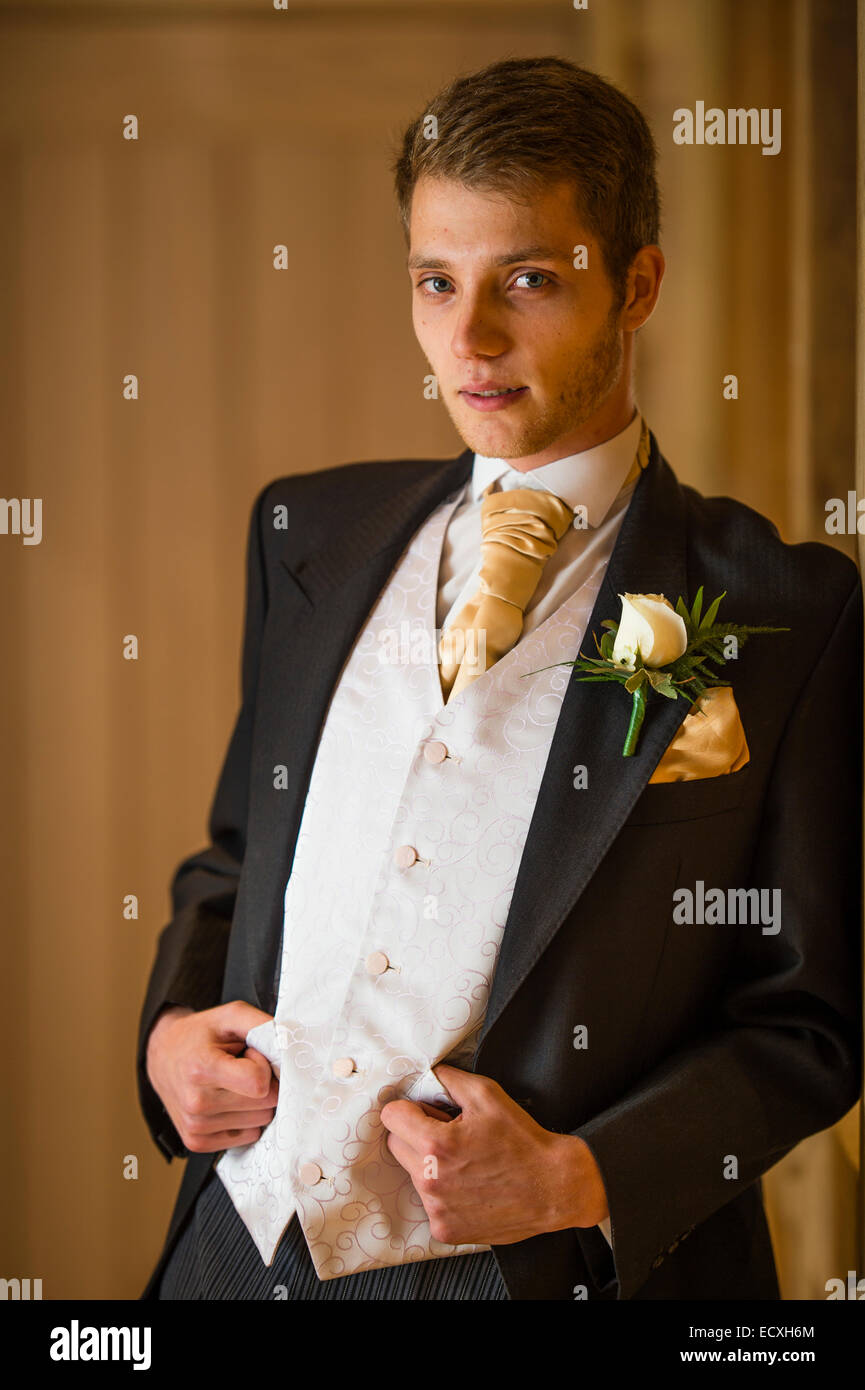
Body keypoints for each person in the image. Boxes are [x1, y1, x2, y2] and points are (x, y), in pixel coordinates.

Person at [137, 56, 862, 1301]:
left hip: (537, 1271)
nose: (466, 340)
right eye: (435, 282)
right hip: (234, 1238)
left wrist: (580, 1177)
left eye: (528, 279)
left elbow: (811, 1026)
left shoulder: (786, 611)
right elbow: (236, 858)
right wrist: (170, 1034)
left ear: (636, 285)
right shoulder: (308, 536)